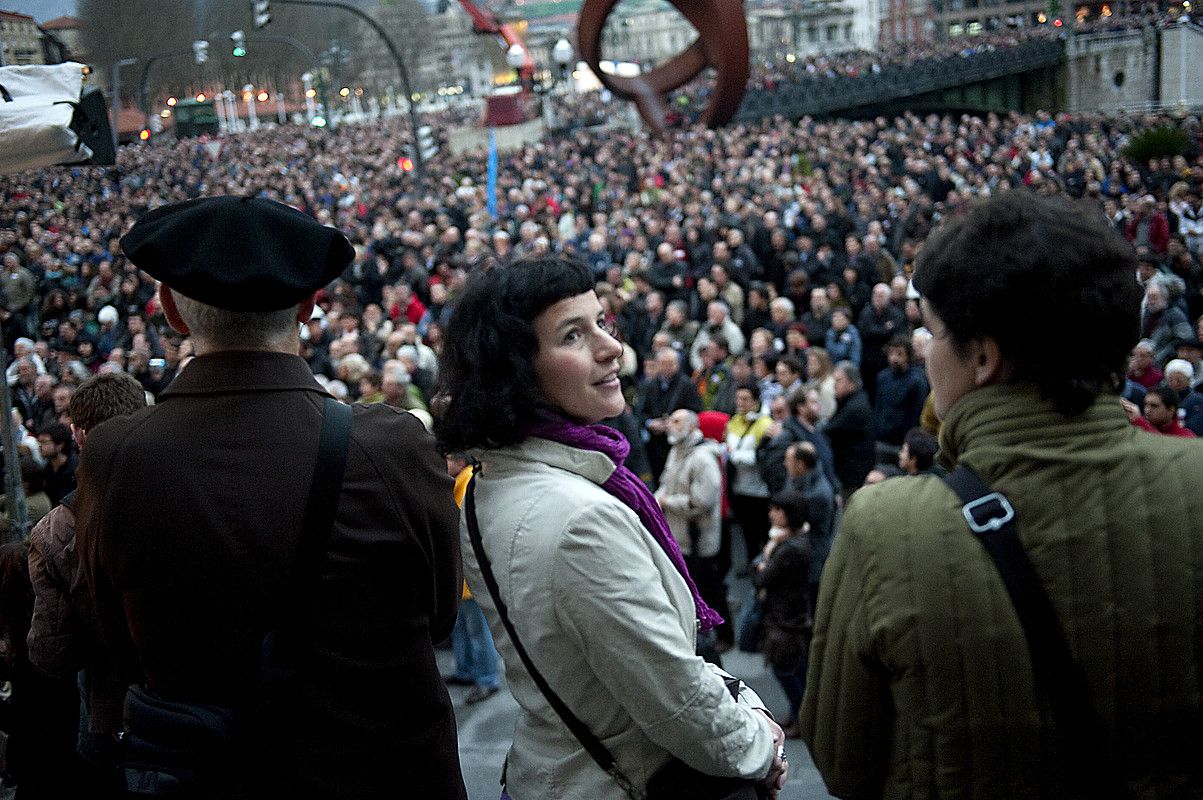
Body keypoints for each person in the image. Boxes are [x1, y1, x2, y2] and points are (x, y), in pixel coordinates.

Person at [802, 191, 1203, 798]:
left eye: (931, 331)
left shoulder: (886, 527)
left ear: (983, 356)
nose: (925, 351)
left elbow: (843, 761)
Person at [74, 196, 466, 798]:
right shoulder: (391, 446)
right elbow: (441, 612)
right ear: (309, 305)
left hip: (211, 773)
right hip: (384, 772)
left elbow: (107, 632)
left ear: (171, 311)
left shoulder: (115, 456)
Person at [436, 257, 787, 800]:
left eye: (603, 323)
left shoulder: (491, 481)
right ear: (515, 368)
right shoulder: (582, 519)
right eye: (574, 335)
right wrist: (760, 744)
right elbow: (677, 698)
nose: (611, 348)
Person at [24, 372, 147, 794]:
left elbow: (52, 653)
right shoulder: (194, 485)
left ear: (77, 434)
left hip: (110, 711)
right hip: (198, 700)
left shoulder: (55, 530)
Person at [752, 489, 813, 740]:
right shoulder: (796, 541)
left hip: (784, 617)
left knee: (786, 669)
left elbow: (761, 577)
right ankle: (797, 712)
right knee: (794, 668)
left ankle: (801, 717)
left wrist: (766, 557)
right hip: (790, 614)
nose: (771, 514)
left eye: (777, 510)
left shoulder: (789, 548)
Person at [822, 361, 875, 497]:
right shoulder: (848, 401)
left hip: (853, 474)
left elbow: (830, 430)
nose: (834, 385)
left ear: (852, 383)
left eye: (839, 381)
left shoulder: (856, 407)